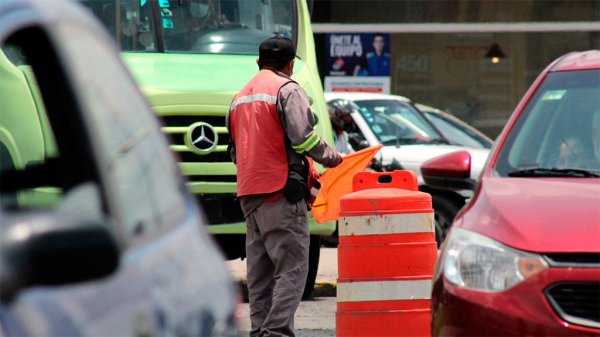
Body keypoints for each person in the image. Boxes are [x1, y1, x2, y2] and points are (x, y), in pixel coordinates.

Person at [226, 36, 342, 337]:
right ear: (291, 64)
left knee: (260, 272)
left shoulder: (239, 98)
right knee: (292, 268)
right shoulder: (287, 90)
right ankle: (276, 332)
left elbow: (234, 152)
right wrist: (333, 158)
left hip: (249, 194)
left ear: (258, 62)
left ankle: (259, 331)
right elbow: (303, 138)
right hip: (280, 193)